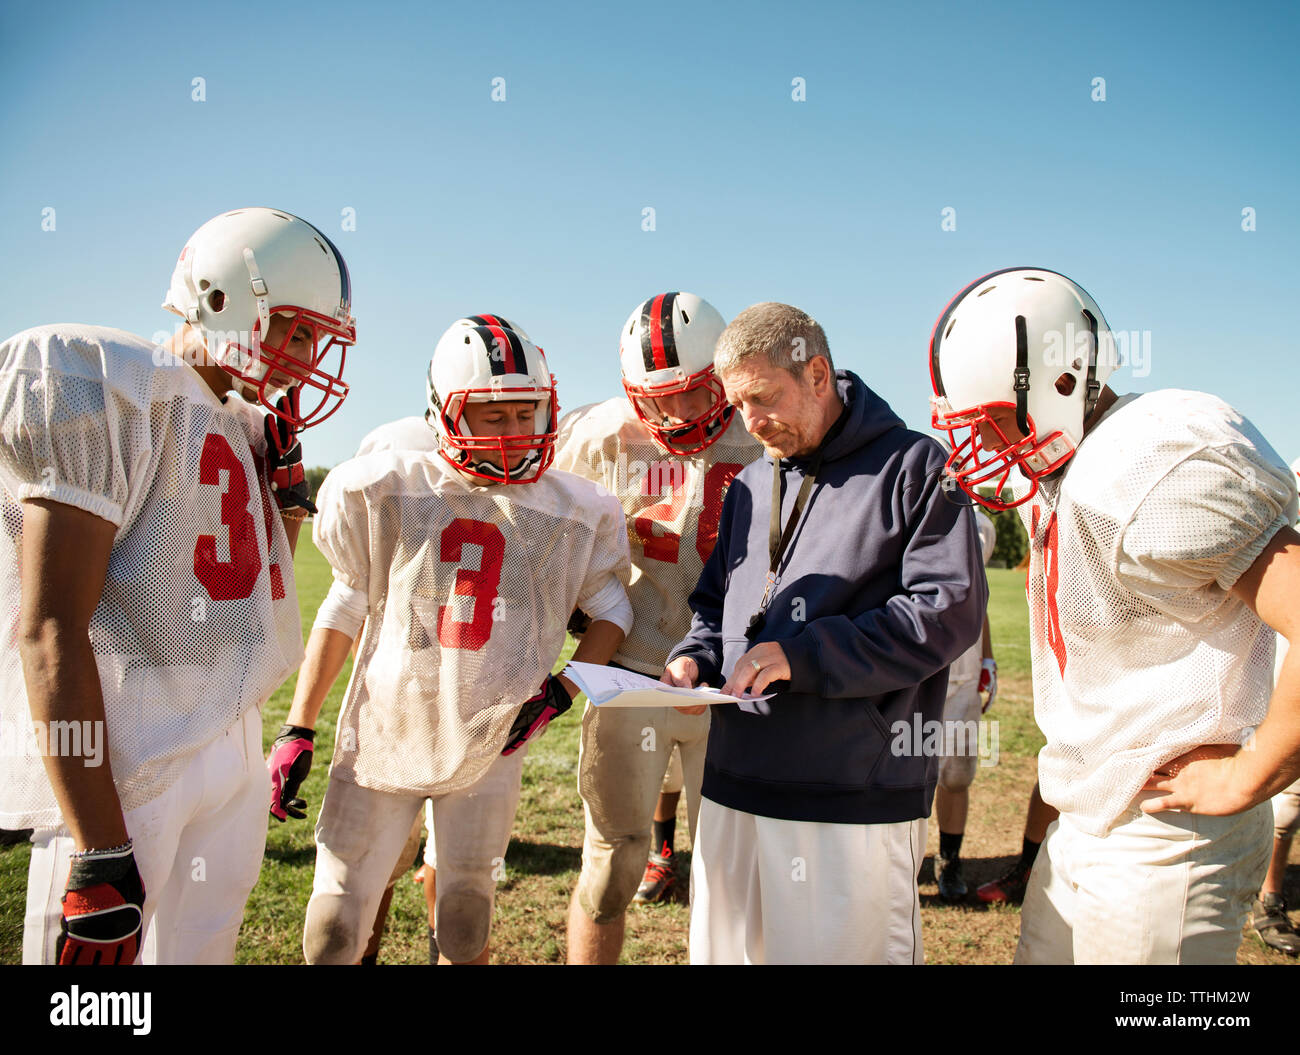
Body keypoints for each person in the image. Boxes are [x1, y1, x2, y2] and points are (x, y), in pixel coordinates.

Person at [0, 207, 354, 964]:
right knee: (96, 1004)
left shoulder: (243, 422)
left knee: (200, 954)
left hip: (227, 736)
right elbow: (52, 622)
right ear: (222, 297)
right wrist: (98, 849)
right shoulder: (103, 377)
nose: (304, 358)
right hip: (127, 748)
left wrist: (284, 495)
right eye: (294, 332)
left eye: (316, 341)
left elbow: (258, 601)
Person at [930, 266, 1300, 964]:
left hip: (1162, 835)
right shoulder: (1075, 464)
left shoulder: (1150, 456)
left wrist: (1251, 773)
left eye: (992, 420)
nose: (980, 444)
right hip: (1088, 817)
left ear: (1061, 383)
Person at [275, 318, 632, 965]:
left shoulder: (568, 506)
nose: (513, 431)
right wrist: (299, 724)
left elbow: (613, 609)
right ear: (443, 413)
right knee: (332, 924)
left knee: (466, 915)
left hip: (488, 734)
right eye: (491, 415)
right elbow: (345, 602)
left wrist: (561, 688)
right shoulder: (389, 487)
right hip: (385, 728)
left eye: (526, 411)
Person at [662, 301, 986, 964]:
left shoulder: (919, 467)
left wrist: (805, 654)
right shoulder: (751, 482)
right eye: (737, 404)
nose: (749, 422)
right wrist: (695, 656)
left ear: (817, 374)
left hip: (850, 798)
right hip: (731, 788)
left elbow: (944, 612)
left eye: (762, 397)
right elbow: (715, 602)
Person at [555, 292, 762, 962]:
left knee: (734, 880)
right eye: (659, 399)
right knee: (611, 869)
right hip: (633, 674)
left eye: (695, 394)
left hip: (731, 685)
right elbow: (555, 540)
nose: (676, 414)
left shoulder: (764, 427)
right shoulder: (598, 436)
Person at [932, 506, 997, 900]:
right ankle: (897, 861)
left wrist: (987, 657)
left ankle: (949, 858)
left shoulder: (979, 524)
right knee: (898, 768)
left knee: (956, 773)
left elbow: (978, 596)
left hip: (963, 663)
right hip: (905, 658)